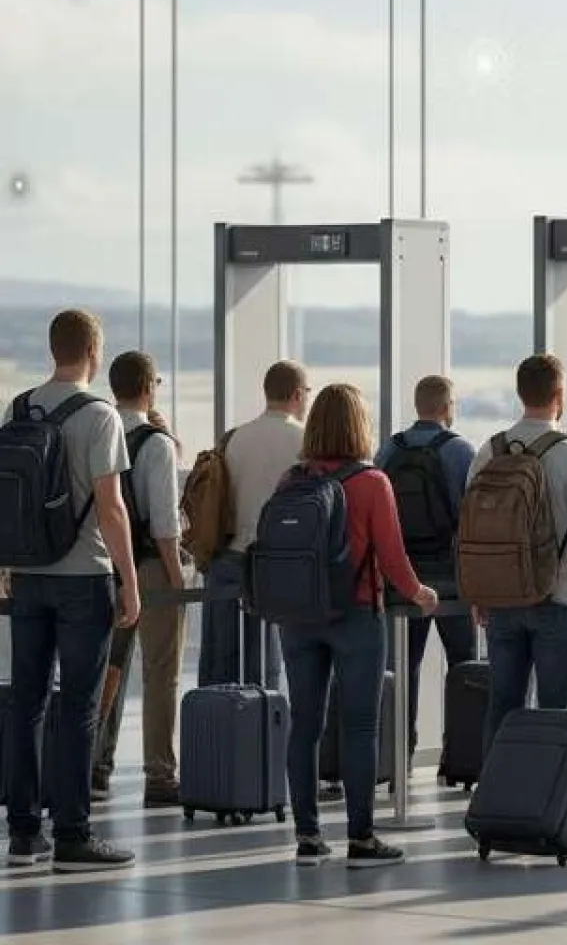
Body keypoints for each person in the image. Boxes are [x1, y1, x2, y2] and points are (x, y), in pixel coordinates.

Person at [469, 354, 567, 851]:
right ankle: (554, 816)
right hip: (559, 598)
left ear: (521, 393)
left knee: (504, 707)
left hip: (502, 601)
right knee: (560, 714)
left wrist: (480, 592)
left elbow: (472, 530)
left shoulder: (490, 449)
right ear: (559, 396)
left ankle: (494, 812)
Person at [277, 383, 440, 868]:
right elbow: (392, 557)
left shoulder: (292, 480)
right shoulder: (372, 482)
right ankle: (362, 838)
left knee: (305, 724)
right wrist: (420, 593)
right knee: (360, 725)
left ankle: (308, 837)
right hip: (357, 614)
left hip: (299, 614)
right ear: (359, 427)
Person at [4, 309, 141, 871]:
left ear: (52, 349)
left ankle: (22, 834)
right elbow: (111, 508)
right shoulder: (100, 415)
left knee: (26, 703)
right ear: (94, 352)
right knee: (81, 707)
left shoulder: (19, 409)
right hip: (85, 577)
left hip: (29, 576)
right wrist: (130, 581)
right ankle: (72, 836)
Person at [90, 351, 190, 809]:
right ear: (149, 387)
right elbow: (165, 526)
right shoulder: (157, 443)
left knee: (107, 669)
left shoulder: (98, 430)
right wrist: (176, 581)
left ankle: (96, 767)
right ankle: (160, 776)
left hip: (102, 563)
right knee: (160, 671)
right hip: (150, 566)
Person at [374, 375, 478, 763]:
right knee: (464, 665)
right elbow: (473, 519)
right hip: (452, 579)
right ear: (448, 407)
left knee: (404, 665)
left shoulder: (389, 449)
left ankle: (399, 753)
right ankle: (462, 757)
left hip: (403, 578)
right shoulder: (460, 451)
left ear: (418, 405)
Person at [202, 360, 308, 689]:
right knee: (268, 667)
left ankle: (220, 719)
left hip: (229, 559)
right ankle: (267, 717)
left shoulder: (234, 438)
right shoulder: (304, 441)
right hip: (279, 566)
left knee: (222, 664)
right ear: (297, 394)